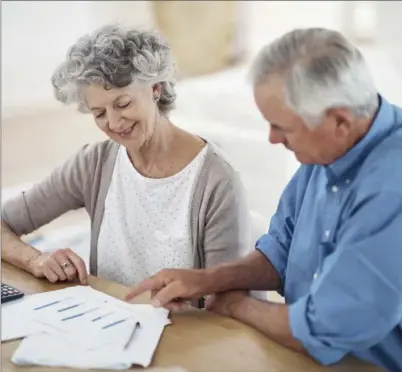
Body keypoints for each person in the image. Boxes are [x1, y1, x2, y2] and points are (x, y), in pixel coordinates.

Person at [126, 28, 402, 371]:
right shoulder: (329, 150)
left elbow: (322, 329)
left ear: (340, 122)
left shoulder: (391, 190)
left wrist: (234, 305)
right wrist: (209, 279)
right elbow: (281, 254)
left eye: (282, 128)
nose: (272, 139)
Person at [1, 25, 250, 299]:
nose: (114, 123)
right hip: (106, 330)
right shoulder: (93, 164)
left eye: (122, 104)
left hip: (189, 338)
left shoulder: (216, 180)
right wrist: (35, 260)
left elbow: (230, 305)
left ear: (155, 88)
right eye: (99, 113)